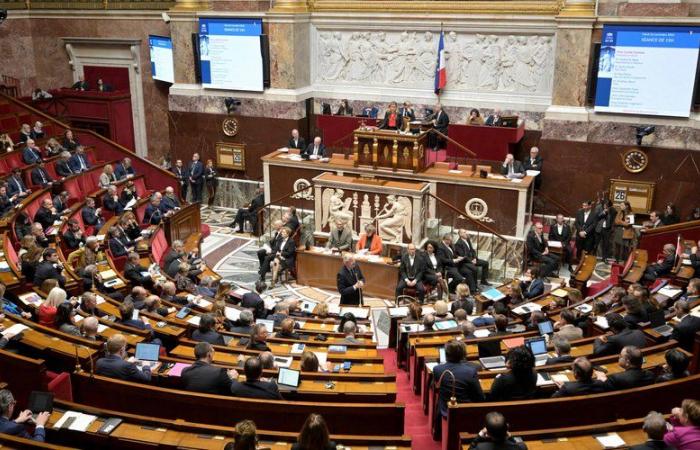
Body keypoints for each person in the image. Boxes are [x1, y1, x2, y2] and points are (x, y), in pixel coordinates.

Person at [433, 340, 483, 417]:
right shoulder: (471, 371)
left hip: (445, 410)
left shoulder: (437, 369)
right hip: (465, 411)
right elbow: (479, 397)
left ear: (446, 354)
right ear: (463, 355)